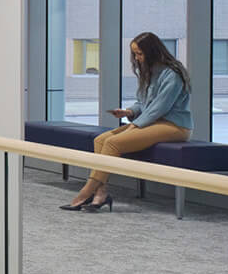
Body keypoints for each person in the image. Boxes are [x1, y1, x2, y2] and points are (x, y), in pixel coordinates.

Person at [64, 32, 191, 212]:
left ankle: (86, 192)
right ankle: (100, 194)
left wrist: (134, 125)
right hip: (152, 122)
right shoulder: (149, 72)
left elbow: (160, 107)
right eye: (135, 54)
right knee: (100, 140)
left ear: (152, 52)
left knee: (113, 143)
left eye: (140, 54)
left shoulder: (172, 74)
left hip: (174, 126)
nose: (137, 59)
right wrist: (129, 112)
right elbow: (143, 103)